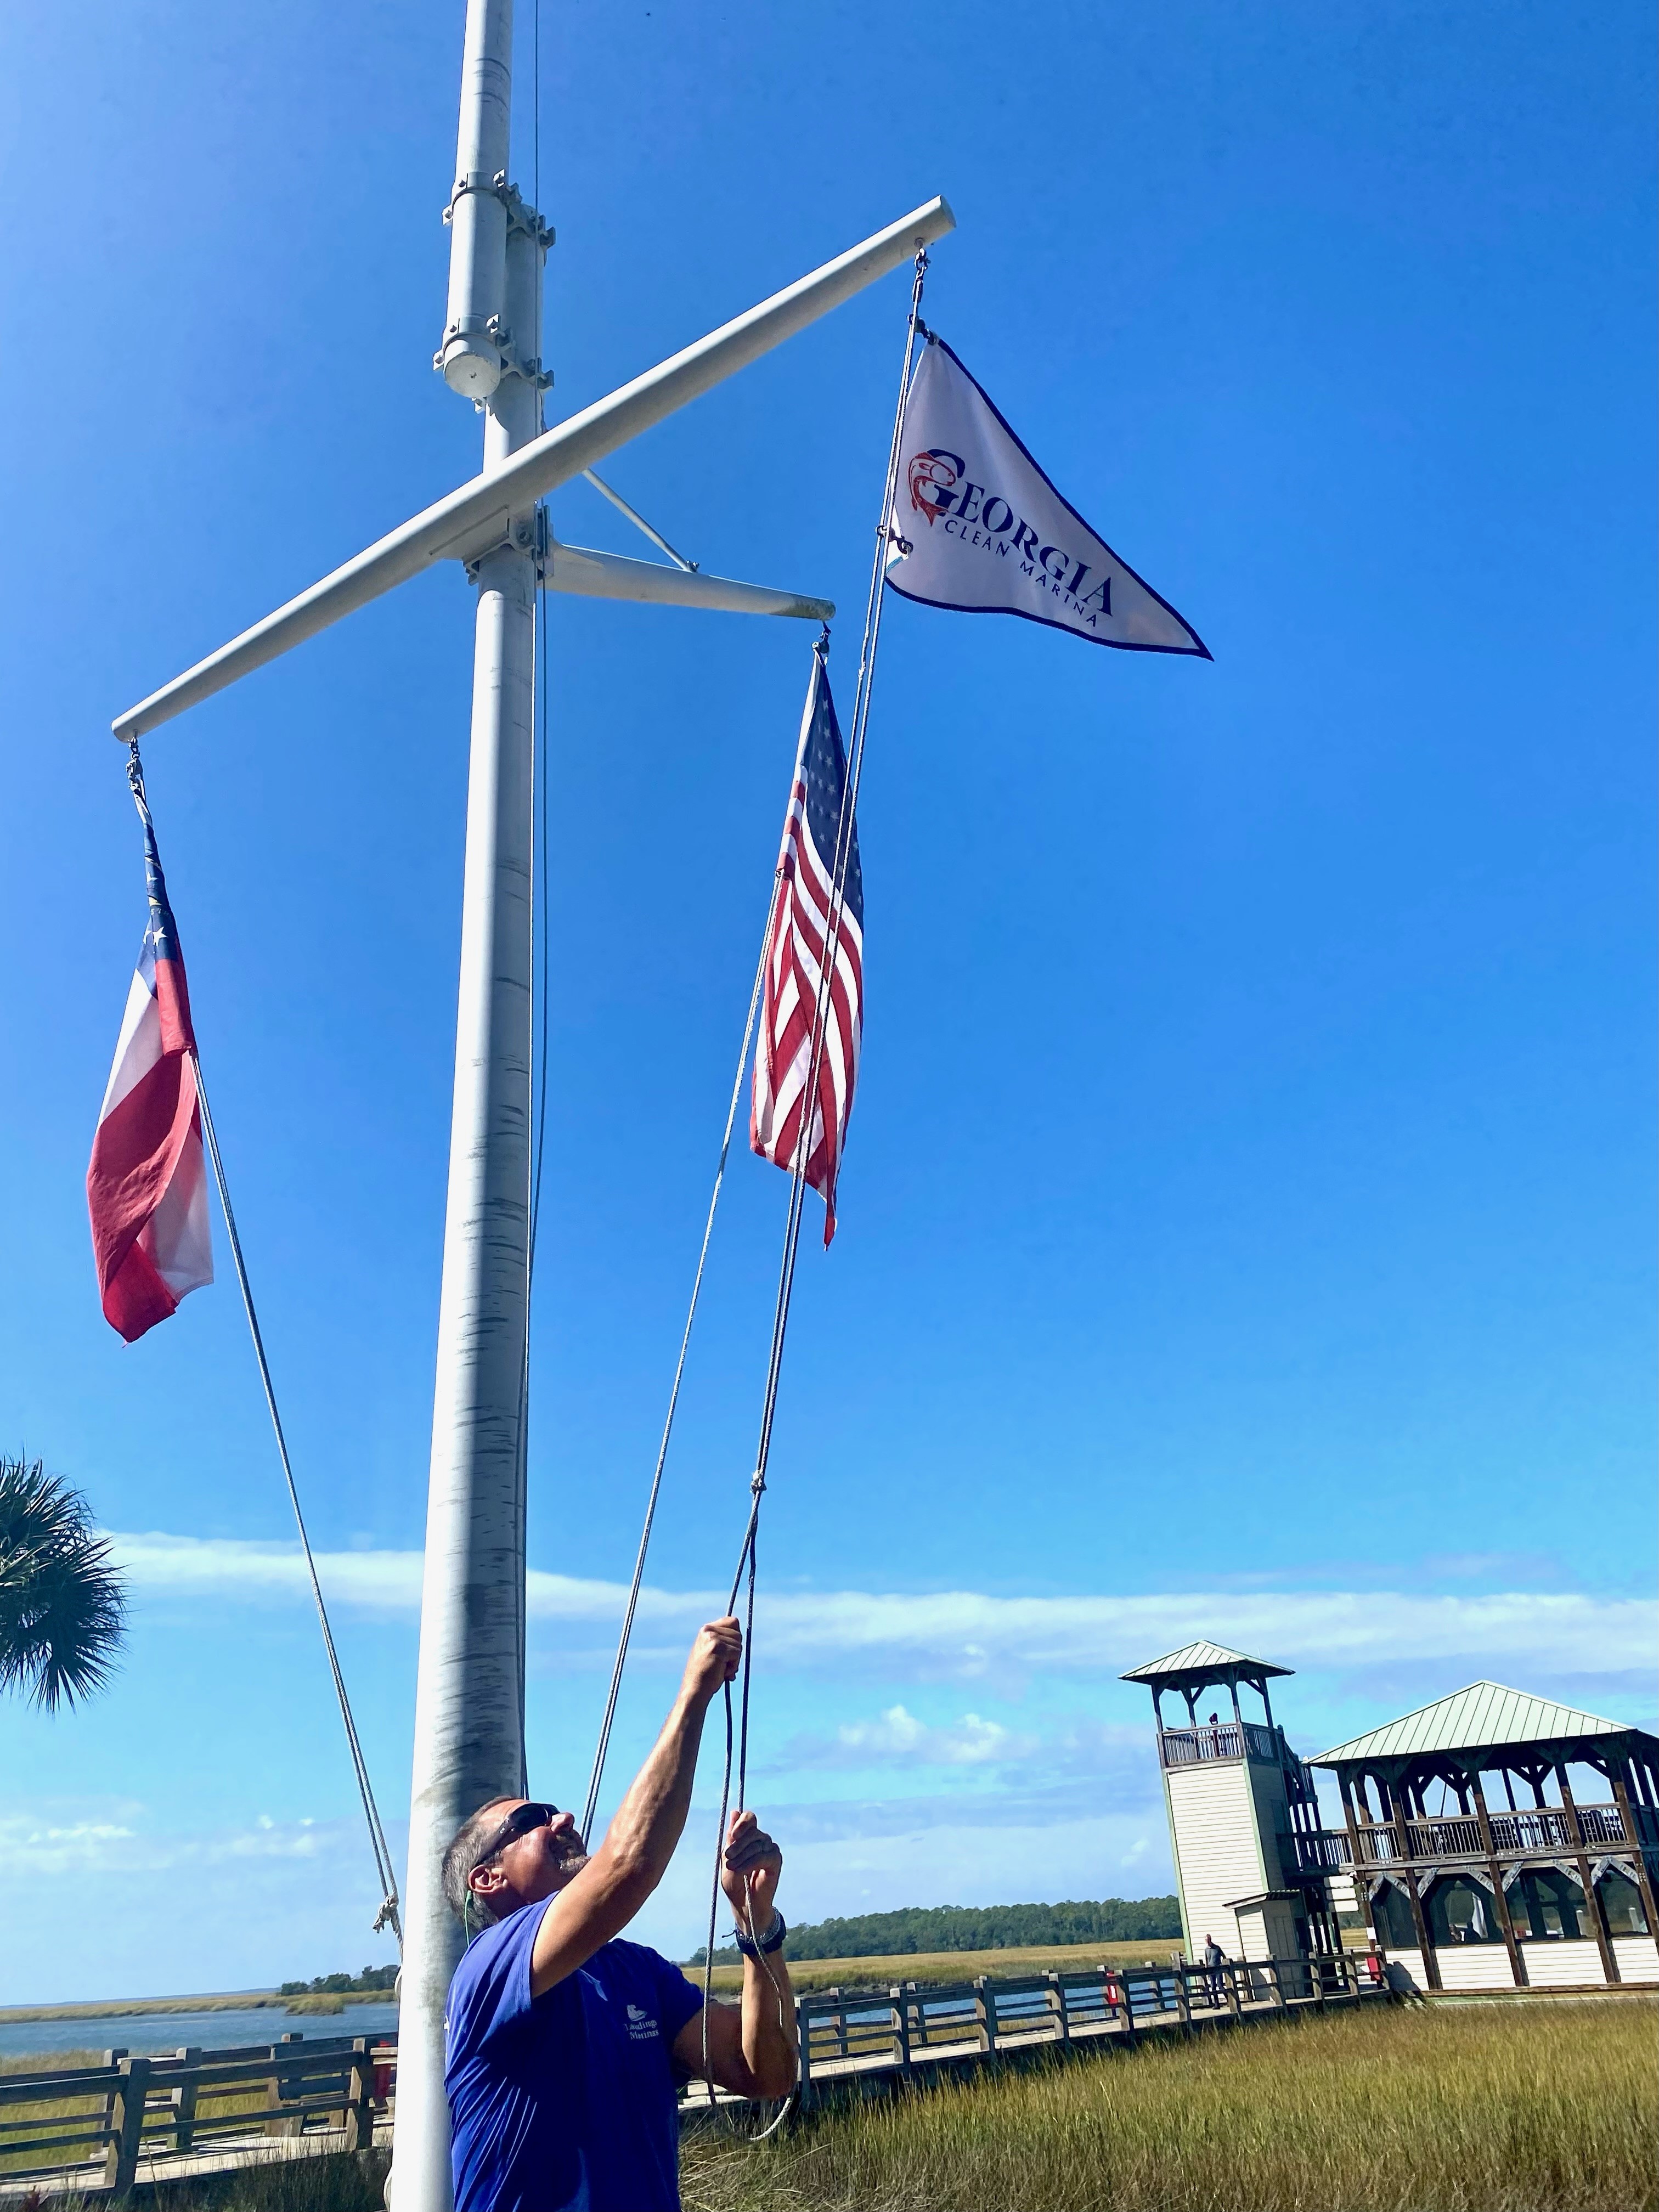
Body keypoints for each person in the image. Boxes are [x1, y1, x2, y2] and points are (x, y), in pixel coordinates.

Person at [441, 1616, 797, 2212]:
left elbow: (763, 2073)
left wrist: (757, 1929)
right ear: (488, 1878)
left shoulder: (638, 1973)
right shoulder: (491, 1967)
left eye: (555, 1810)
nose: (562, 1821)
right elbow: (628, 1865)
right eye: (530, 1822)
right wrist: (693, 1696)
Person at [1201, 1932, 1228, 2004]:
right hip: (1211, 1970)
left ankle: (1229, 2000)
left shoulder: (1217, 1948)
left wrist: (1222, 1965)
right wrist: (1207, 1972)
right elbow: (1207, 1961)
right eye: (1207, 1940)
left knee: (1220, 1986)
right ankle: (1217, 2004)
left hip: (1218, 1969)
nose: (1208, 1941)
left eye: (1209, 1939)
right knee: (1213, 1987)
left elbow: (1224, 1957)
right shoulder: (1206, 1950)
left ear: (1211, 1939)